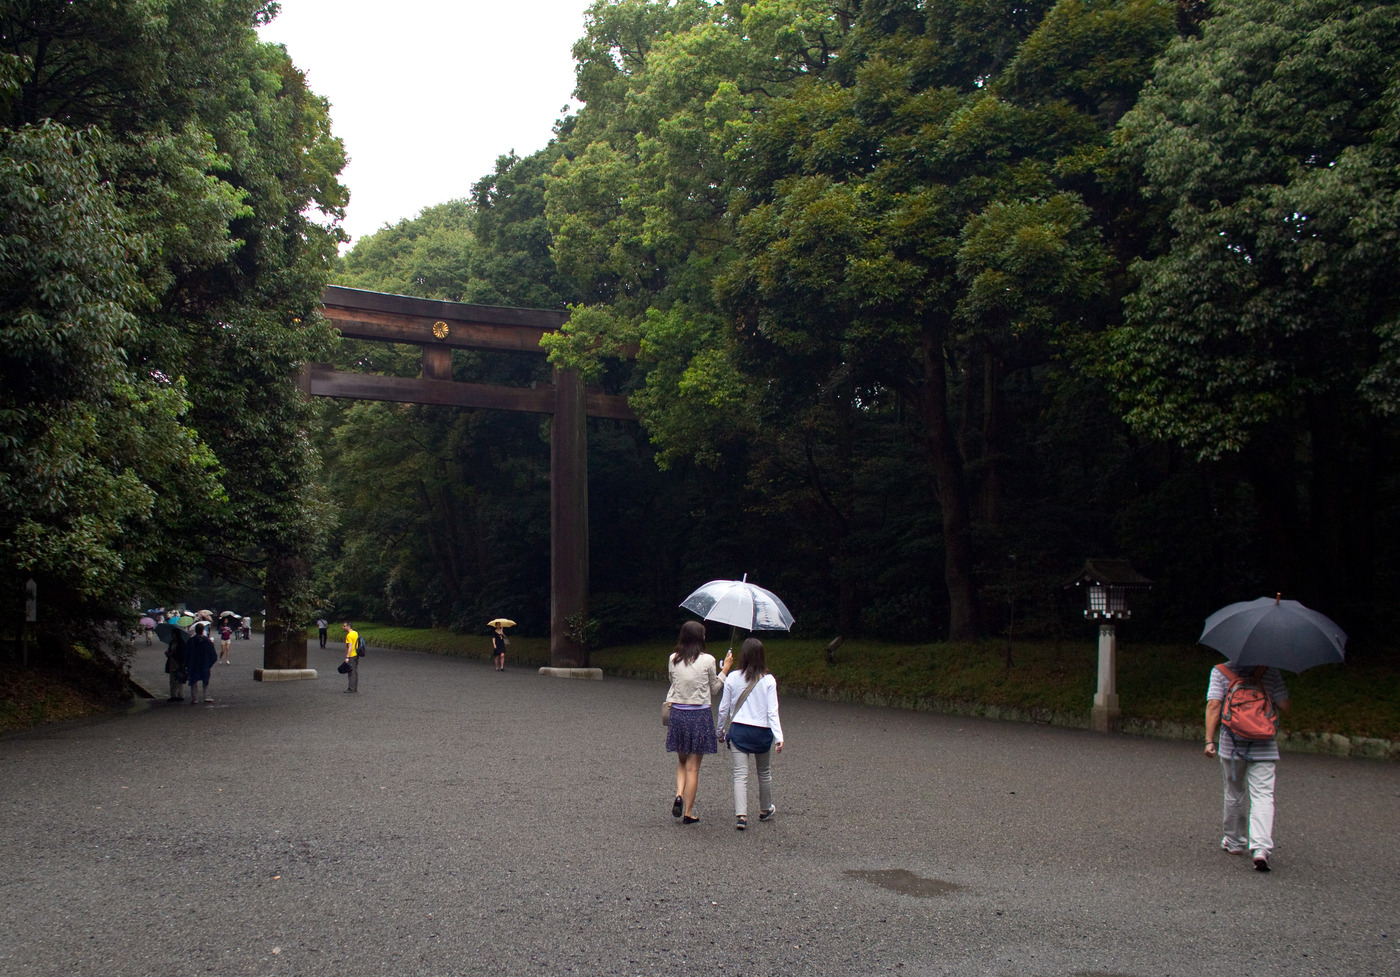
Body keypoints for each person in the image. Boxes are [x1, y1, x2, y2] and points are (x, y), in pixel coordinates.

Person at [1205, 662, 1290, 871]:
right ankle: (1260, 848)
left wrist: (1209, 740)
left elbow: (1214, 705)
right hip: (1265, 744)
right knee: (1263, 795)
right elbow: (1285, 704)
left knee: (1234, 792)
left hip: (1231, 746)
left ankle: (1234, 842)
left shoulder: (1220, 671)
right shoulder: (1270, 670)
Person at [664, 621, 732, 824]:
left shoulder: (673, 658)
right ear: (700, 638)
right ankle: (689, 812)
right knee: (694, 767)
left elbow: (672, 682)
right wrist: (725, 669)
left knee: (682, 761)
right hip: (699, 715)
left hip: (678, 713)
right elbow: (715, 688)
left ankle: (678, 794)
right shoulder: (708, 660)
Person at [716, 637, 785, 830]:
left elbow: (724, 708)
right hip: (762, 732)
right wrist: (779, 736)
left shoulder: (732, 677)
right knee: (764, 772)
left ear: (743, 656)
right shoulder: (769, 680)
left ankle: (741, 816)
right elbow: (772, 711)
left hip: (739, 730)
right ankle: (765, 809)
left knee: (740, 774)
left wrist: (720, 731)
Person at [185, 623, 218, 705]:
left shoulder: (191, 641)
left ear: (195, 630)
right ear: (203, 630)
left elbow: (186, 653)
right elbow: (213, 654)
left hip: (194, 663)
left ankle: (194, 698)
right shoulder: (207, 641)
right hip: (205, 663)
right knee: (205, 680)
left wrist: (187, 663)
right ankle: (206, 696)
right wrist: (210, 663)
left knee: (193, 680)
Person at [163, 631, 187, 702]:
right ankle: (173, 694)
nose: (172, 635)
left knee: (179, 679)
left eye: (173, 634)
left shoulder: (181, 643)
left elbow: (181, 654)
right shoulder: (172, 642)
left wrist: (172, 654)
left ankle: (180, 694)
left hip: (178, 662)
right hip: (172, 661)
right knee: (172, 679)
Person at [342, 621, 360, 693]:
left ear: (348, 626)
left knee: (351, 672)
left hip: (351, 654)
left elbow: (350, 646)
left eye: (344, 626)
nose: (343, 627)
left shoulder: (349, 636)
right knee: (355, 671)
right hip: (356, 654)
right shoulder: (355, 633)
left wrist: (347, 657)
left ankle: (351, 688)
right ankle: (355, 687)